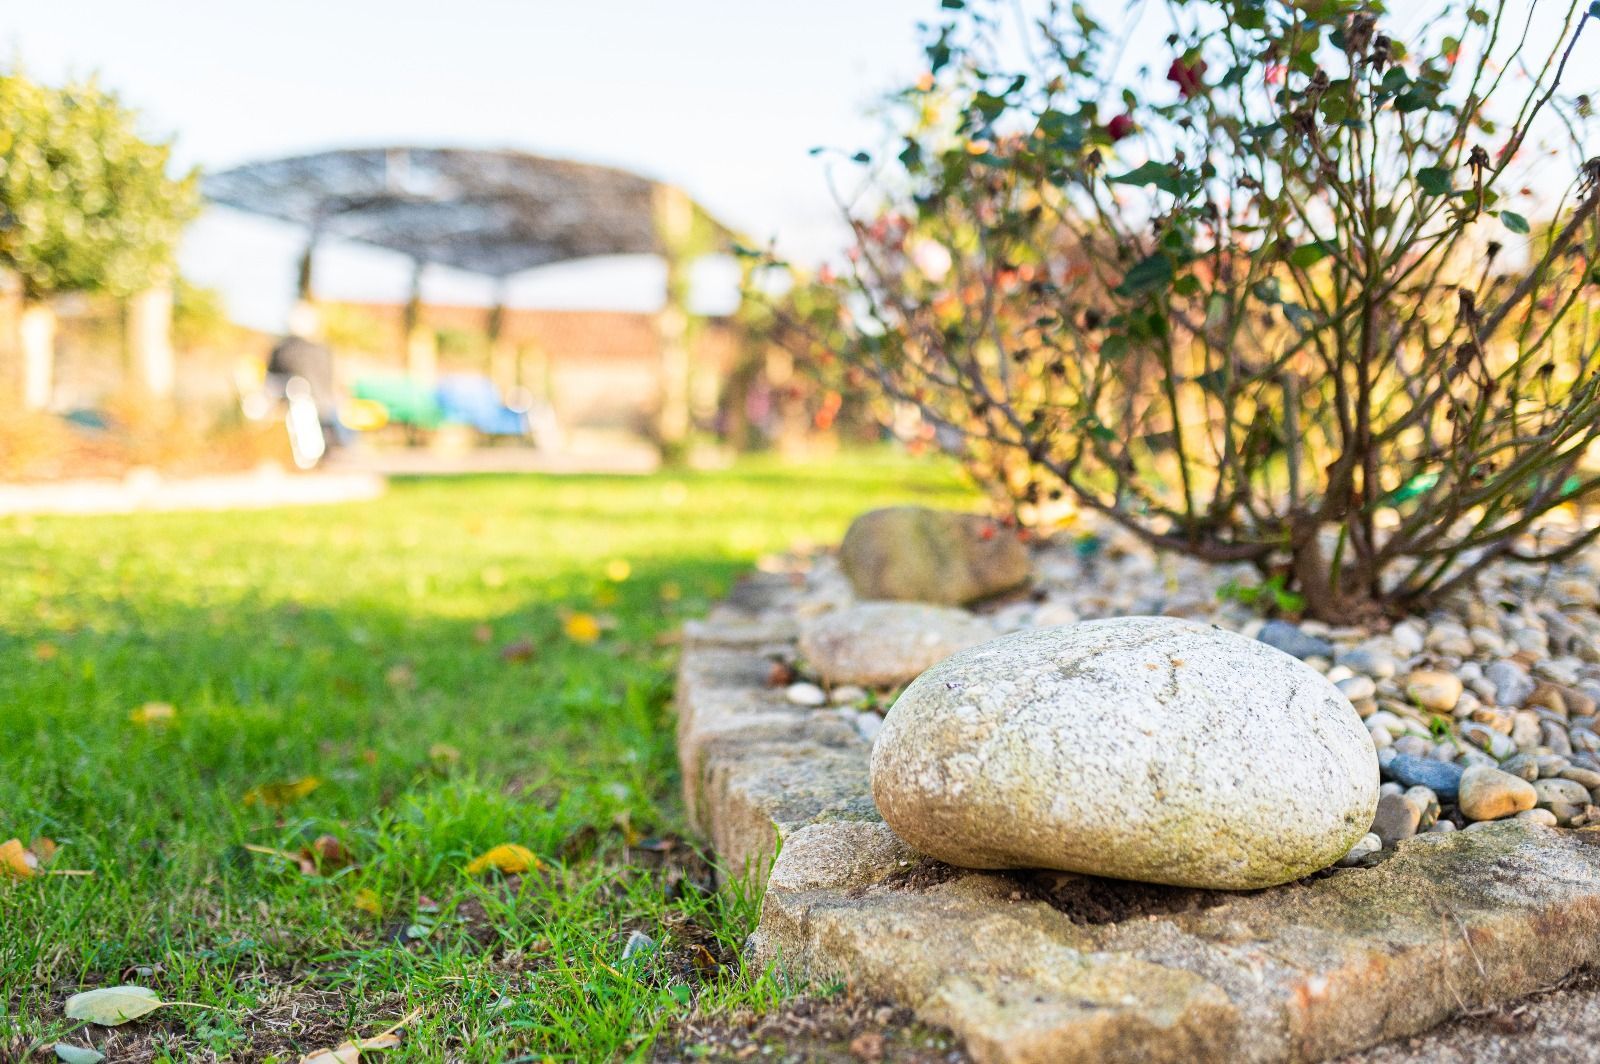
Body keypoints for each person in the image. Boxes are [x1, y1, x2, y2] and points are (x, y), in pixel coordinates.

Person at [266, 303, 340, 461]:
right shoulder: (322, 350)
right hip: (322, 403)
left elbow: (271, 379)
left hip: (302, 404)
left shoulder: (283, 349)